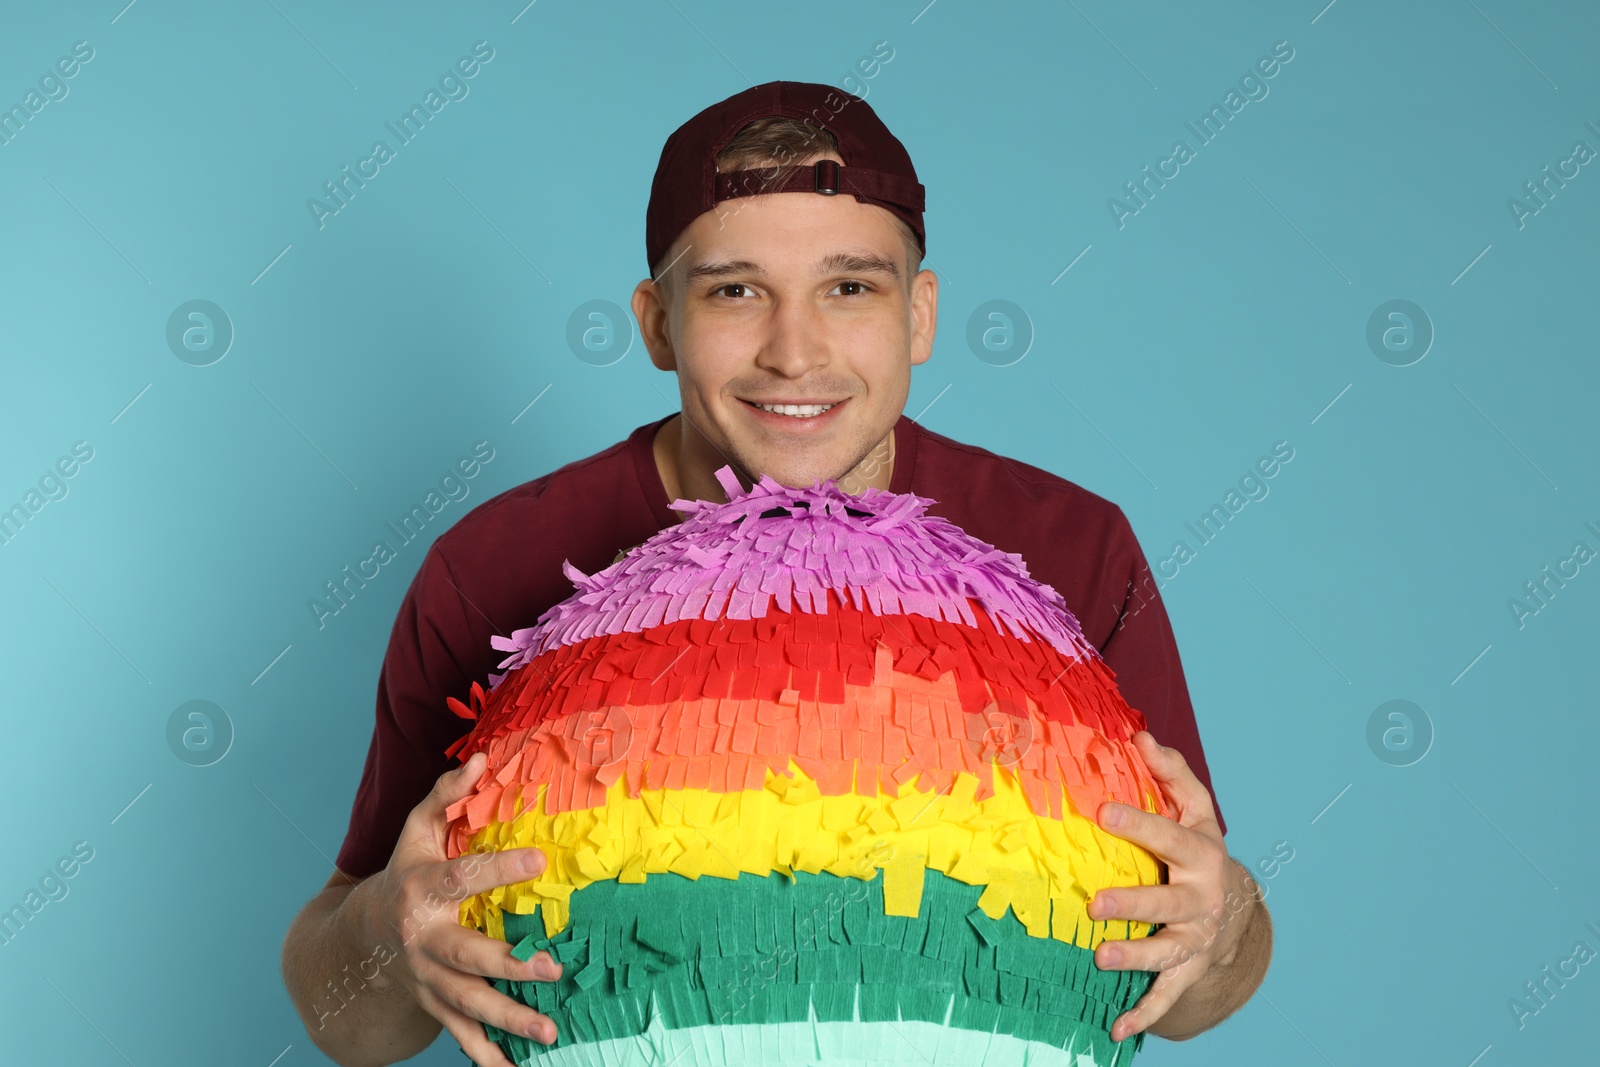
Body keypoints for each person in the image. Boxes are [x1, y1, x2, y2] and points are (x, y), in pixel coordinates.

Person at [281, 80, 1272, 1067]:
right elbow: (347, 1020)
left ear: (919, 314)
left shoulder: (1068, 548)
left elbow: (1193, 973)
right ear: (658, 321)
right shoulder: (492, 564)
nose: (794, 353)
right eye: (734, 290)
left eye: (850, 287)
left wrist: (1223, 925)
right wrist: (385, 933)